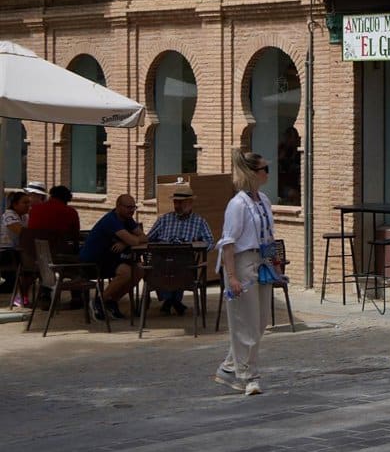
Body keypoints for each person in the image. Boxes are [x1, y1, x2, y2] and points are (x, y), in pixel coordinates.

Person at [213, 147, 276, 396]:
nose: (268, 175)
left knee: (260, 321)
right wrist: (232, 277)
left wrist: (275, 263)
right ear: (252, 173)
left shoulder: (264, 201)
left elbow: (269, 235)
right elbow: (228, 242)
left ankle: (229, 367)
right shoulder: (237, 205)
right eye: (265, 170)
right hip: (242, 263)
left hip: (262, 263)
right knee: (245, 323)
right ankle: (247, 376)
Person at [146, 183, 214, 315]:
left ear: (190, 203)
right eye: (175, 202)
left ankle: (170, 301)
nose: (177, 206)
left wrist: (198, 246)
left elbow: (210, 242)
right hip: (162, 263)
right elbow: (149, 239)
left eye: (181, 203)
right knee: (160, 263)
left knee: (181, 262)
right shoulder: (164, 219)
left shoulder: (199, 221)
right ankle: (173, 301)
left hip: (185, 265)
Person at [79, 194, 148, 320]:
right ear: (118, 207)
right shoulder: (111, 220)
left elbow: (144, 237)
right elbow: (135, 240)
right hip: (93, 261)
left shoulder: (128, 219)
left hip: (111, 259)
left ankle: (112, 301)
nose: (132, 210)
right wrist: (130, 240)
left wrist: (124, 242)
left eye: (134, 207)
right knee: (126, 272)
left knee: (139, 270)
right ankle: (98, 302)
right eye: (128, 207)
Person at [0, 191, 33, 306]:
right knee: (28, 266)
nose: (29, 205)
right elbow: (22, 233)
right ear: (15, 204)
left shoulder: (25, 216)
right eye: (25, 203)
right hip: (5, 252)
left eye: (29, 202)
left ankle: (23, 295)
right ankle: (21, 295)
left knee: (33, 267)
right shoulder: (9, 215)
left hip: (17, 251)